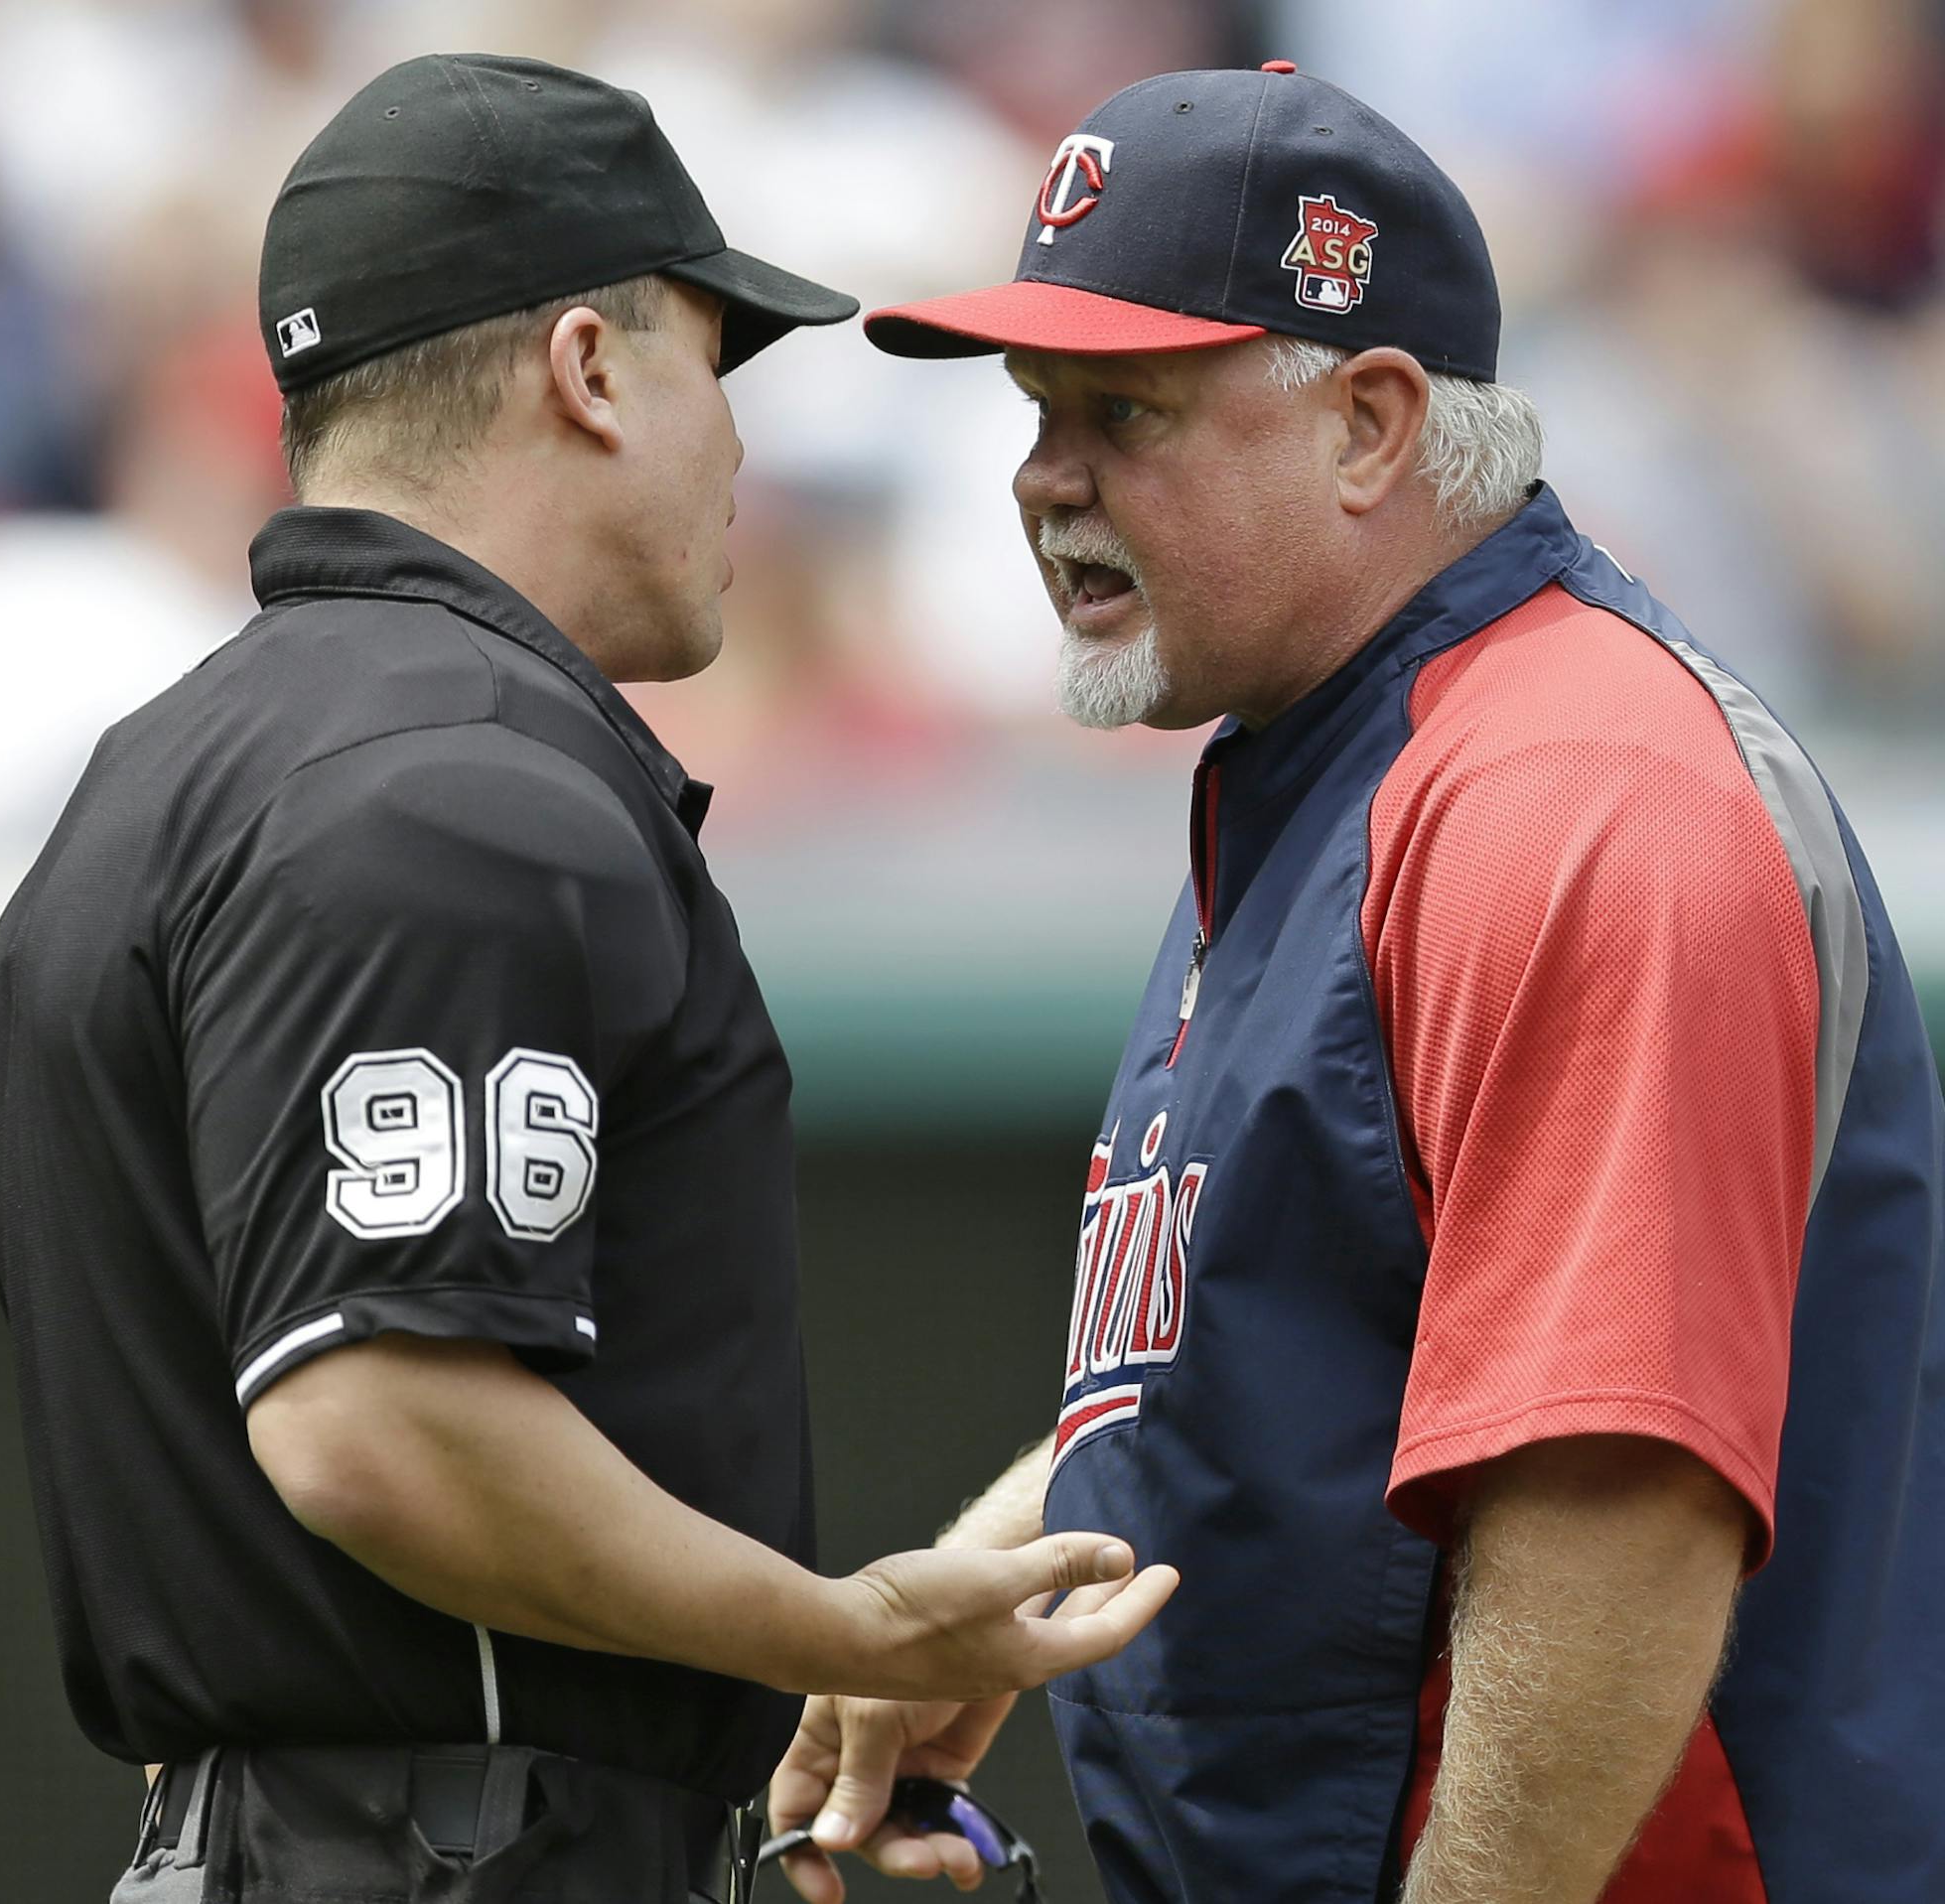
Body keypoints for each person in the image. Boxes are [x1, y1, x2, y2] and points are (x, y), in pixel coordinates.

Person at [0, 55, 1177, 1904]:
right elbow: (382, 1423)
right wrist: (838, 1628)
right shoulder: (453, 783)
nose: (742, 446)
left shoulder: (173, 766)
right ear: (591, 369)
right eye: (717, 362)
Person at [772, 62, 1945, 1904]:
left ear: (1373, 425)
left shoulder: (1571, 788)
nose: (1039, 479)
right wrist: (995, 1578)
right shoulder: (1336, 756)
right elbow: (1303, 1329)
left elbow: (1610, 1510)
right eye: (1033, 410)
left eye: (1124, 411)